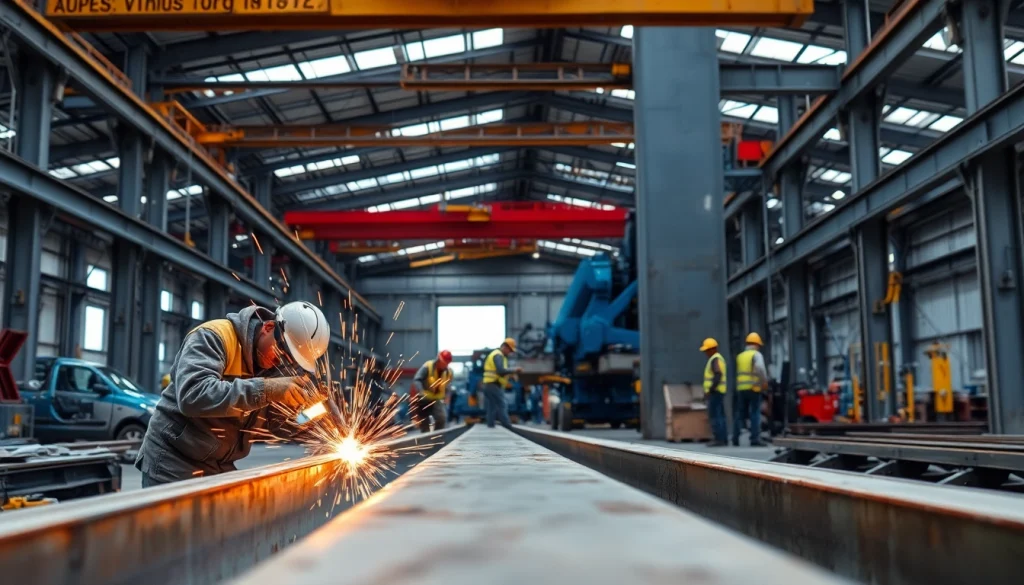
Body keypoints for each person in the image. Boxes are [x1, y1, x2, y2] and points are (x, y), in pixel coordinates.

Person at [135, 301, 331, 486]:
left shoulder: (275, 369)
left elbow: (277, 427)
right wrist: (267, 389)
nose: (282, 362)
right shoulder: (214, 336)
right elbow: (193, 395)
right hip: (174, 459)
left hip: (217, 465)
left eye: (291, 361)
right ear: (269, 327)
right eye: (282, 352)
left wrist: (310, 414)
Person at [733, 332, 769, 447]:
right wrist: (764, 382)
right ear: (756, 344)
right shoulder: (756, 355)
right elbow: (760, 369)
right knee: (755, 413)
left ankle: (735, 438)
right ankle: (755, 439)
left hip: (741, 388)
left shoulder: (740, 356)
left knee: (740, 414)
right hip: (754, 388)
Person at [482, 338, 522, 429]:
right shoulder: (498, 355)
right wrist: (514, 370)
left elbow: (499, 371)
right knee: (502, 404)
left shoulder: (497, 355)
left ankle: (490, 425)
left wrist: (510, 375)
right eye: (510, 350)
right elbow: (500, 371)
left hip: (489, 384)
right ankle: (507, 426)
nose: (510, 353)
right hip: (493, 384)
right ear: (505, 347)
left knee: (492, 406)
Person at [411, 350, 454, 432]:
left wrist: (448, 396)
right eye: (444, 362)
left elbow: (448, 386)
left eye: (447, 363)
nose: (445, 365)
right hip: (424, 399)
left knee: (441, 418)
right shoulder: (428, 366)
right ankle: (425, 440)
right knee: (424, 422)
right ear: (439, 359)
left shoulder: (449, 372)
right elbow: (417, 379)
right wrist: (421, 391)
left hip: (437, 399)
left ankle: (437, 438)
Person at [700, 338, 728, 447]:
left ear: (713, 349)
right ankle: (723, 439)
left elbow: (718, 374)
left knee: (715, 416)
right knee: (720, 415)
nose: (706, 353)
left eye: (707, 350)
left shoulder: (715, 359)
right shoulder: (718, 358)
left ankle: (719, 439)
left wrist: (710, 390)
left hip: (715, 392)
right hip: (718, 392)